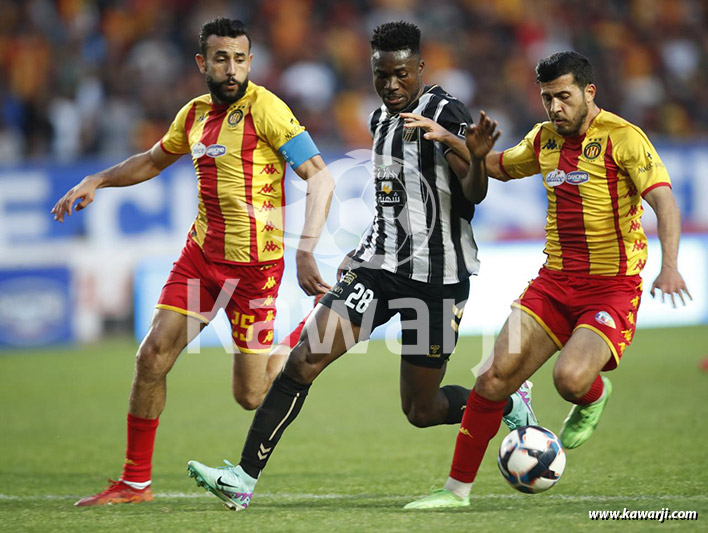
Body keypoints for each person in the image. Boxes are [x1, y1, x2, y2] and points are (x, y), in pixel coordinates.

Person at [185, 21, 537, 511]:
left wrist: (471, 155)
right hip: (378, 270)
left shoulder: (446, 112)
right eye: (381, 74)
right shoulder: (379, 120)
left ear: (419, 68)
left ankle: (504, 401)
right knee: (304, 359)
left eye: (400, 74)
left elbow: (472, 193)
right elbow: (390, 200)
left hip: (438, 282)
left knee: (420, 409)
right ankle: (242, 478)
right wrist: (362, 250)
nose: (391, 85)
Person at [51, 17, 334, 506]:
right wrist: (97, 178)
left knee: (249, 396)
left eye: (240, 59)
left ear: (251, 61)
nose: (232, 69)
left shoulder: (267, 109)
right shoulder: (194, 114)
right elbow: (153, 160)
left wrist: (306, 247)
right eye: (221, 59)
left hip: (254, 272)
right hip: (200, 261)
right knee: (151, 356)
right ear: (203, 63)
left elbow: (321, 178)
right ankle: (135, 482)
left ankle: (305, 330)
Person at [404, 50, 691, 510]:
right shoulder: (543, 140)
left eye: (563, 96)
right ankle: (455, 492)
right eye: (546, 98)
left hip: (611, 286)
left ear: (588, 92)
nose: (555, 107)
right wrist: (452, 141)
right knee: (493, 378)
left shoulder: (624, 139)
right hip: (554, 283)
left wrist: (670, 266)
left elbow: (664, 202)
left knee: (570, 380)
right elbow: (496, 166)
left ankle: (593, 393)